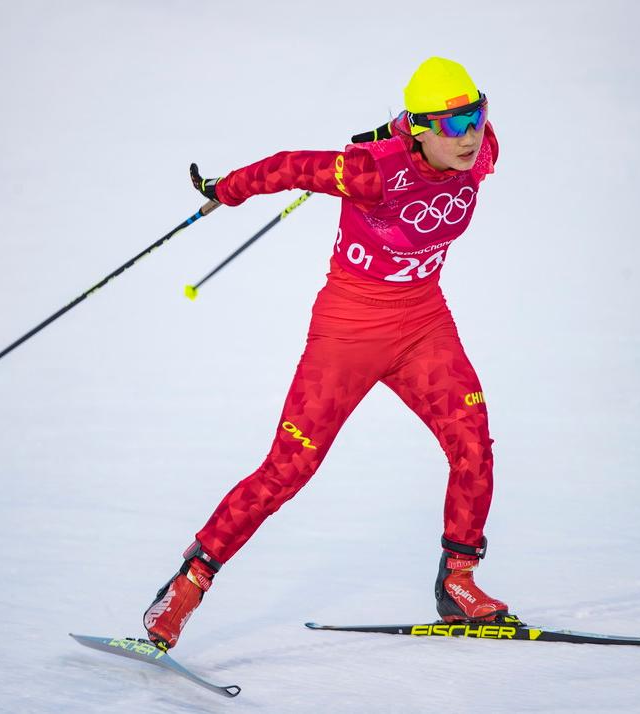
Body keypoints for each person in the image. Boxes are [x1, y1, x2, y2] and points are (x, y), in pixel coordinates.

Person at [144, 57, 518, 650]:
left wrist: (402, 131)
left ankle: (460, 581)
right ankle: (189, 582)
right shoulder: (370, 172)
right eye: (452, 124)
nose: (470, 136)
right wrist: (226, 191)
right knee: (289, 469)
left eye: (476, 115)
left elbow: (444, 137)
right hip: (348, 330)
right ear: (421, 128)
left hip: (423, 323)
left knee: (473, 441)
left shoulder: (483, 152)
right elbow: (289, 168)